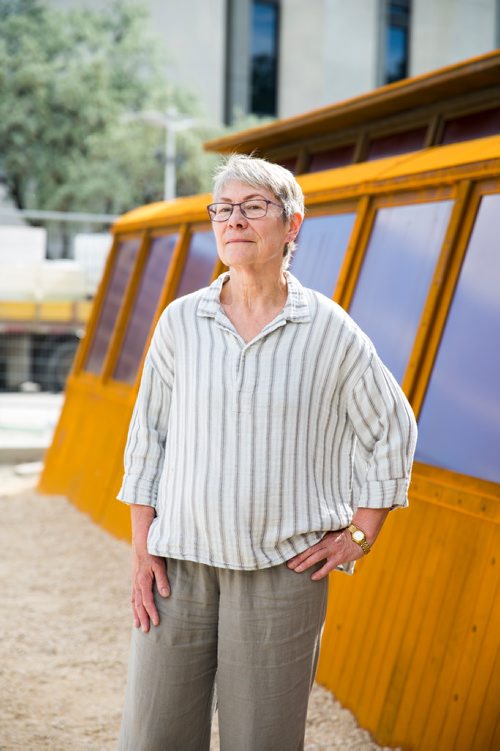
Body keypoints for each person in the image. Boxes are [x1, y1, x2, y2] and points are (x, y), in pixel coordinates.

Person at [116, 154, 417, 751]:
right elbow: (148, 437)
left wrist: (360, 534)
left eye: (254, 208)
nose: (235, 220)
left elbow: (393, 427)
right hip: (180, 566)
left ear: (293, 224)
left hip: (284, 574)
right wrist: (141, 549)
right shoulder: (182, 321)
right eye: (224, 209)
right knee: (154, 737)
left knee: (263, 741)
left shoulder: (328, 329)